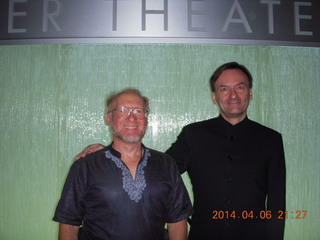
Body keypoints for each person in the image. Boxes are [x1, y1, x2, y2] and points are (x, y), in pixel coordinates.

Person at [75, 62, 286, 240]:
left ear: (250, 93)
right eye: (224, 88)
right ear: (214, 96)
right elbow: (157, 169)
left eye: (240, 87)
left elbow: (277, 202)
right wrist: (111, 153)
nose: (232, 95)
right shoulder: (194, 134)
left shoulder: (271, 139)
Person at [53, 88, 193, 240]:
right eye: (122, 110)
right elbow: (69, 224)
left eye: (138, 111)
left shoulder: (166, 165)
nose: (131, 117)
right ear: (109, 118)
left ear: (146, 119)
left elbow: (177, 220)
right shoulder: (86, 166)